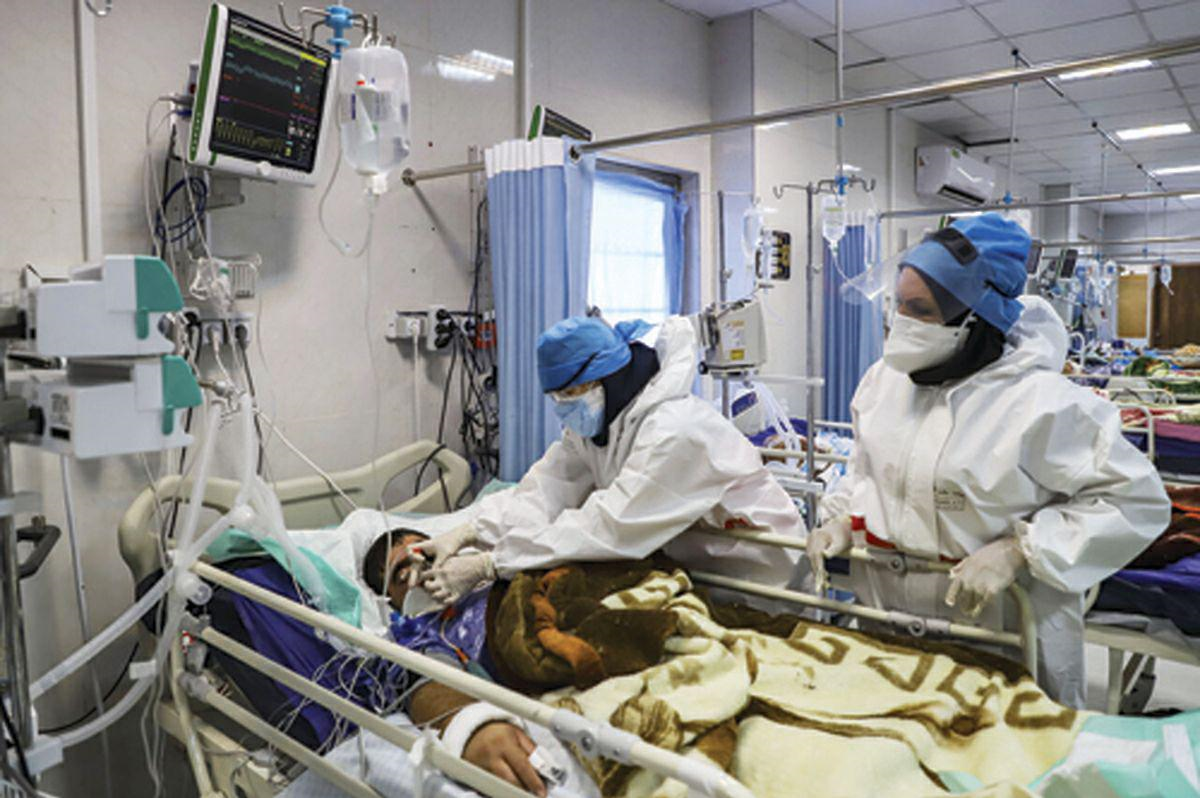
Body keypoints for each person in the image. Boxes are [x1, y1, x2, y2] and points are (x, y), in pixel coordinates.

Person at [806, 212, 1170, 708]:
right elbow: (868, 470)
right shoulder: (883, 383)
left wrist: (1021, 550)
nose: (901, 322)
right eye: (898, 305)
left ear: (976, 319)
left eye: (920, 310)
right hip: (887, 629)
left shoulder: (1044, 404)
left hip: (1003, 639)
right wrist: (843, 520)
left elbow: (1135, 502)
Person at [414, 313, 805, 606]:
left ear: (609, 378)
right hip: (700, 574)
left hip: (764, 582)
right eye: (557, 397)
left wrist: (491, 564)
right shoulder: (600, 424)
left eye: (572, 393)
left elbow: (606, 526)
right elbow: (543, 492)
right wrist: (469, 531)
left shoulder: (675, 431)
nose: (564, 406)